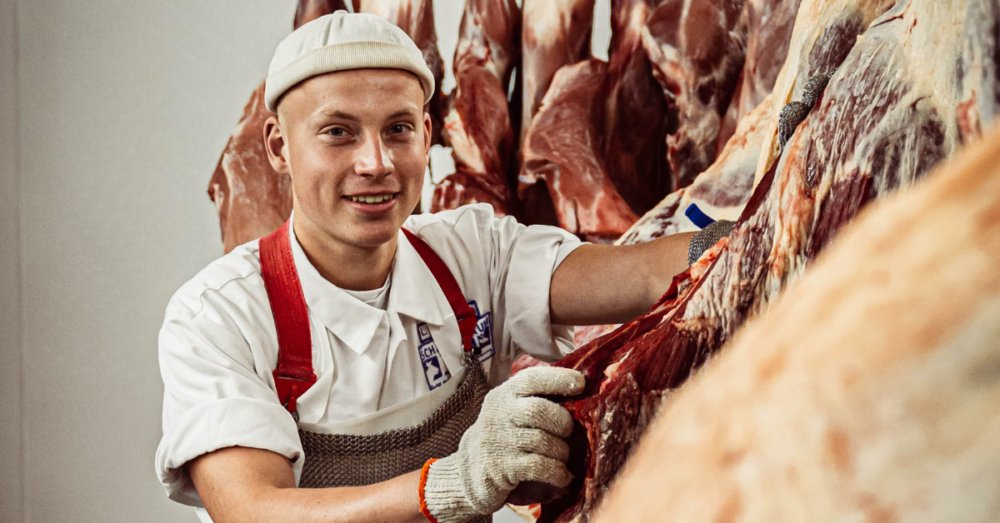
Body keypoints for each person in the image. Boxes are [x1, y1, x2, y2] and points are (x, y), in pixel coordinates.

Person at [156, 11, 695, 523]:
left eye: (398, 129)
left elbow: (646, 274)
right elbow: (252, 510)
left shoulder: (471, 252)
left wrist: (774, 203)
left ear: (427, 131)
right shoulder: (218, 316)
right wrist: (454, 483)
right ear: (279, 146)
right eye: (338, 132)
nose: (376, 164)